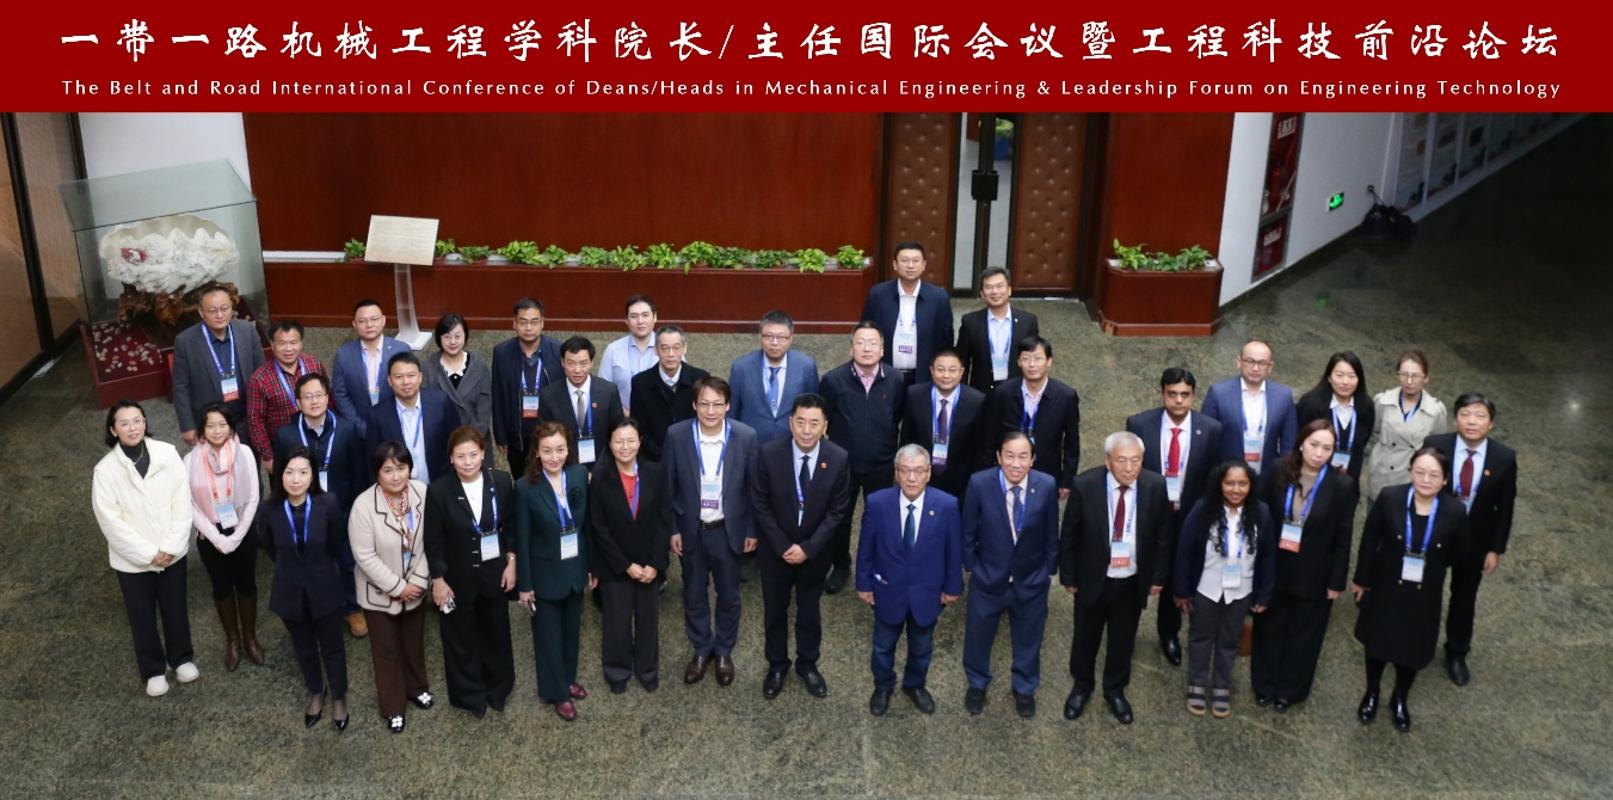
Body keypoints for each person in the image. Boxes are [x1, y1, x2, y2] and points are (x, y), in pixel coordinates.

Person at [1351, 447, 1470, 732]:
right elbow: (1369, 541)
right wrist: (1361, 580)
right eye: (1420, 472)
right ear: (1411, 471)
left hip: (1424, 594)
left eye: (1434, 475)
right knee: (1377, 645)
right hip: (1386, 587)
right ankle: (1372, 692)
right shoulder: (1390, 498)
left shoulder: (1455, 511)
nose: (1426, 480)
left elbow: (1458, 554)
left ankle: (1400, 697)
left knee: (1412, 650)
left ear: (1445, 479)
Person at [1058, 432, 1172, 725]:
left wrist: (1158, 577)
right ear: (1108, 461)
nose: (1129, 468)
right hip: (1092, 578)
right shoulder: (1085, 485)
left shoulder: (1155, 485)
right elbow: (1069, 534)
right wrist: (1068, 576)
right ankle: (1082, 686)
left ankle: (1115, 690)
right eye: (1121, 461)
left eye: (1135, 460)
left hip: (1132, 581)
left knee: (1123, 640)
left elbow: (1163, 535)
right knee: (1085, 637)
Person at [92, 400, 200, 697]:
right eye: (124, 423)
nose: (132, 428)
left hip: (171, 552)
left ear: (145, 423)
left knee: (175, 608)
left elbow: (182, 502)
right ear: (113, 430)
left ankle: (181, 658)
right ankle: (153, 669)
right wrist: (149, 554)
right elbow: (110, 522)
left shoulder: (167, 453)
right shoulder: (105, 470)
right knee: (141, 617)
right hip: (132, 562)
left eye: (137, 420)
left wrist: (171, 546)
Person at [1251, 420, 1359, 711]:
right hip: (1275, 566)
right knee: (1269, 628)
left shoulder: (1342, 485)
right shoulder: (1278, 470)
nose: (1319, 453)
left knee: (1304, 636)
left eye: (1327, 448)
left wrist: (1336, 581)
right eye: (1314, 445)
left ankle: (1289, 691)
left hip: (1314, 573)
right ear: (1301, 443)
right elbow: (1260, 514)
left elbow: (1344, 536)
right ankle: (1264, 685)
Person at [751, 393, 851, 700]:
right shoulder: (768, 454)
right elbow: (760, 503)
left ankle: (808, 664)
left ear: (825, 426)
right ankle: (777, 665)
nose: (807, 430)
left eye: (814, 424)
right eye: (801, 422)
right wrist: (782, 545)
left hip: (814, 554)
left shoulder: (838, 458)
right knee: (774, 611)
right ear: (790, 423)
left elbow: (838, 511)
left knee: (809, 612)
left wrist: (808, 547)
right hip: (775, 552)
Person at [1124, 367, 1224, 667]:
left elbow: (1213, 476)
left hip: (1187, 514)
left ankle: (1168, 632)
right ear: (1162, 393)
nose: (1178, 400)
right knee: (1135, 569)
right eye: (1172, 394)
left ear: (1193, 396)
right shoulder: (1139, 424)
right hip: (1148, 513)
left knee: (1175, 574)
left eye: (1184, 394)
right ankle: (1124, 630)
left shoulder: (1211, 429)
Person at [855, 445, 962, 717]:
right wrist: (863, 583)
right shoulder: (878, 503)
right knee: (882, 647)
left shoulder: (947, 505)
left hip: (927, 595)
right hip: (887, 592)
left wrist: (953, 587)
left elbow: (953, 551)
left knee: (922, 648)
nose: (911, 478)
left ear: (928, 473)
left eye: (918, 471)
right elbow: (866, 548)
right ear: (896, 473)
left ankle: (915, 685)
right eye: (905, 471)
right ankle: (883, 686)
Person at [665, 377, 759, 687]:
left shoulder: (745, 437)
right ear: (694, 405)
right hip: (690, 530)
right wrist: (673, 529)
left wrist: (751, 530)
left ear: (728, 406)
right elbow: (668, 487)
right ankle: (701, 648)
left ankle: (724, 650)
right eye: (704, 403)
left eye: (718, 404)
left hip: (728, 531)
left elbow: (754, 489)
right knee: (693, 593)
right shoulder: (677, 435)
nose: (710, 410)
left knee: (729, 595)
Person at [960, 432, 1060, 718]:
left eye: (1023, 456)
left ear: (1033, 459)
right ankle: (977, 684)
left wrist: (1047, 572)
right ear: (999, 457)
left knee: (1029, 638)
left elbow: (1051, 533)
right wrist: (973, 567)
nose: (1016, 464)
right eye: (1010, 456)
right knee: (978, 637)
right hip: (988, 580)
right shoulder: (979, 483)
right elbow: (968, 531)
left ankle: (1024, 688)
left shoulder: (1046, 485)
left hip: (1031, 580)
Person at [1422, 393, 1517, 687]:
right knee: (1424, 590)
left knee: (1464, 598)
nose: (1472, 421)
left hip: (1475, 541)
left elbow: (1505, 507)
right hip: (1435, 535)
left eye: (1479, 416)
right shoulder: (1436, 445)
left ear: (1491, 423)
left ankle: (1457, 652)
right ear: (1456, 418)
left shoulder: (1504, 457)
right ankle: (1418, 643)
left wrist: (1495, 549)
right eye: (1465, 414)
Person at [423, 426, 517, 718]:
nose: (467, 462)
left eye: (473, 455)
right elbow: (433, 540)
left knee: (497, 633)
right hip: (457, 577)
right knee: (461, 638)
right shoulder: (439, 490)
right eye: (460, 456)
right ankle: (470, 695)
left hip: (495, 573)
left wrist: (511, 562)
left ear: (483, 454)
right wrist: (438, 580)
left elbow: (511, 527)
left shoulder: (501, 482)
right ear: (451, 458)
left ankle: (498, 689)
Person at [1174, 460, 1276, 719]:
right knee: (1200, 637)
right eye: (1229, 483)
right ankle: (1197, 683)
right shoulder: (1203, 509)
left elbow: (1267, 557)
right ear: (1219, 484)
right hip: (1206, 587)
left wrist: (1264, 594)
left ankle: (1221, 685)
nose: (1236, 489)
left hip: (1241, 590)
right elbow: (1185, 550)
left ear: (1251, 486)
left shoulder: (1261, 513)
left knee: (1229, 641)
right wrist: (1182, 590)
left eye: (1242, 484)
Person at [273, 372, 372, 638]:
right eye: (307, 397)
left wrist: (356, 508)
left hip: (341, 508)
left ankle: (352, 608)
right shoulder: (286, 435)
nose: (314, 401)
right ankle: (319, 608)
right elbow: (279, 477)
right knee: (313, 564)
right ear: (298, 402)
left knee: (348, 561)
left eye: (319, 395)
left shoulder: (347, 429)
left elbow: (358, 473)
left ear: (328, 398)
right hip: (303, 512)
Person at [259, 447, 350, 731]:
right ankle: (316, 690)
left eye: (303, 472)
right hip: (289, 590)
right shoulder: (268, 509)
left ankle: (339, 696)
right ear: (279, 475)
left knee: (333, 647)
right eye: (289, 472)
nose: (296, 479)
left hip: (324, 587)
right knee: (304, 647)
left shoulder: (328, 504)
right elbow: (271, 548)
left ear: (313, 476)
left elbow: (336, 543)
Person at [348, 441, 434, 734]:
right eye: (388, 470)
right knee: (386, 651)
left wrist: (419, 581)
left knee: (413, 643)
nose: (396, 476)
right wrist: (398, 587)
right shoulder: (363, 506)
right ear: (377, 473)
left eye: (401, 468)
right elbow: (364, 556)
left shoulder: (422, 492)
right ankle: (393, 706)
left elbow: (430, 540)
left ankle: (417, 687)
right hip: (380, 594)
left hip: (416, 587)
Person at [515, 422, 596, 721]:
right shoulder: (525, 488)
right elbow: (522, 540)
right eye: (547, 451)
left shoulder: (578, 475)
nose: (554, 457)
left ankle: (568, 679)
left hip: (575, 568)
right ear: (536, 452)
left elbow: (587, 527)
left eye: (560, 449)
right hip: (544, 573)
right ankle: (556, 692)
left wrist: (591, 566)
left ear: (568, 449)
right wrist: (525, 585)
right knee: (548, 637)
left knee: (572, 631)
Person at [818, 323, 904, 595]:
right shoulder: (833, 380)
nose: (866, 348)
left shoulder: (896, 379)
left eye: (872, 343)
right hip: (843, 465)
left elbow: (897, 416)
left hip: (881, 463)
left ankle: (876, 566)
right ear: (850, 348)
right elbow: (824, 419)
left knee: (880, 519)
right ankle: (841, 565)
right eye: (860, 342)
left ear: (882, 349)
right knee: (840, 519)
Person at [588, 419, 674, 693]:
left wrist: (655, 563)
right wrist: (625, 565)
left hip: (649, 564)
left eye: (630, 440)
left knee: (648, 621)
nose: (625, 447)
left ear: (640, 442)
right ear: (610, 444)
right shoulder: (600, 478)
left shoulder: (655, 473)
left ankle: (647, 670)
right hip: (615, 566)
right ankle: (617, 671)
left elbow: (664, 520)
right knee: (616, 622)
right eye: (618, 441)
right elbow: (598, 528)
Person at [183, 403, 263, 672]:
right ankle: (233, 640)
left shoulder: (245, 452)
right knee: (221, 586)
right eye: (210, 426)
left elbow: (253, 497)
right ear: (202, 429)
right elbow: (190, 505)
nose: (217, 430)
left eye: (222, 425)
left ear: (230, 427)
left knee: (246, 584)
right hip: (210, 533)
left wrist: (237, 536)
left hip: (242, 529)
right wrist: (217, 538)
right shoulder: (190, 460)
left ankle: (250, 638)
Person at [171, 284, 264, 446]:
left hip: (246, 417)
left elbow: (261, 372)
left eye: (224, 308)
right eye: (213, 311)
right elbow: (180, 386)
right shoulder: (185, 341)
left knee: (249, 459)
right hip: (210, 423)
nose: (220, 315)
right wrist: (187, 425)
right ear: (201, 312)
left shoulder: (246, 330)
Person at [989, 337, 1081, 496]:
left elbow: (1072, 443)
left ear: (1049, 361)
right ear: (1019, 362)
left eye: (1038, 359)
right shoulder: (1003, 392)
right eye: (1026, 359)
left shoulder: (1066, 396)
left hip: (1046, 473)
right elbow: (989, 435)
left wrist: (1067, 480)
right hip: (1006, 471)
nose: (1032, 364)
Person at [859, 241, 954, 383]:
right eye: (905, 260)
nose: (910, 265)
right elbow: (865, 332)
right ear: (895, 264)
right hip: (885, 375)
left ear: (924, 265)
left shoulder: (938, 298)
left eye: (915, 261)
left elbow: (945, 341)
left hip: (923, 378)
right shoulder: (878, 295)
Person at [900, 347, 989, 500]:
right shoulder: (915, 395)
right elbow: (906, 438)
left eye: (952, 370)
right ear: (932, 371)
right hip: (921, 477)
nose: (946, 375)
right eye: (940, 369)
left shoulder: (977, 400)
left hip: (961, 480)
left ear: (961, 372)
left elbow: (981, 447)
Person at [1200, 339, 1298, 476]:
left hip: (1267, 476)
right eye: (1250, 361)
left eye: (1262, 363)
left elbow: (1289, 443)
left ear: (1270, 367)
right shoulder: (1218, 393)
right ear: (1239, 362)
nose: (1255, 368)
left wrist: (1284, 475)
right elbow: (1206, 441)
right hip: (1228, 477)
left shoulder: (1283, 396)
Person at [490, 297, 563, 476]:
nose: (528, 328)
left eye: (534, 322)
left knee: (551, 479)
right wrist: (501, 435)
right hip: (517, 434)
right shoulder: (501, 353)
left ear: (542, 323)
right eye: (523, 322)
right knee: (521, 480)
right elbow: (497, 395)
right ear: (514, 324)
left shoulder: (558, 350)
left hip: (549, 432)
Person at [367, 352, 462, 484]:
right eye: (399, 377)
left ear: (420, 377)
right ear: (389, 381)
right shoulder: (378, 414)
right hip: (399, 487)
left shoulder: (440, 402)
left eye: (411, 375)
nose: (406, 382)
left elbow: (458, 441)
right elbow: (373, 459)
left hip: (440, 484)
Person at [1365, 350, 1449, 496]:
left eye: (1415, 376)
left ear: (1426, 378)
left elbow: (1437, 448)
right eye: (1404, 374)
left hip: (1411, 476)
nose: (1409, 381)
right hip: (1382, 472)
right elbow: (1372, 432)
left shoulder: (1435, 411)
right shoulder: (1383, 401)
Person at [729, 310, 820, 443]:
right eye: (769, 336)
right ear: (760, 337)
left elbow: (814, 408)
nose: (775, 343)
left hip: (791, 443)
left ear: (791, 338)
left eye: (782, 338)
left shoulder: (805, 366)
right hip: (751, 444)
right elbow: (732, 412)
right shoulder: (741, 367)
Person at [245, 319, 325, 468]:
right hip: (283, 447)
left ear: (301, 343)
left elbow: (327, 397)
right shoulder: (259, 379)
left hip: (318, 439)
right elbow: (255, 420)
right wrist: (267, 456)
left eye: (293, 342)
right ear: (272, 345)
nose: (288, 349)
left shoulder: (314, 364)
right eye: (282, 343)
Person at [539, 336, 626, 468]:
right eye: (571, 363)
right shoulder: (548, 395)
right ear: (562, 362)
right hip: (564, 468)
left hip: (603, 468)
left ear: (591, 363)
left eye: (583, 363)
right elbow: (545, 437)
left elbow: (618, 432)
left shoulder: (609, 391)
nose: (577, 370)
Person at [629, 324, 709, 463]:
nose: (671, 354)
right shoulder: (641, 382)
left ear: (684, 348)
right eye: (665, 348)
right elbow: (638, 425)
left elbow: (706, 418)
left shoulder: (700, 378)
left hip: (693, 456)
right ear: (656, 350)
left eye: (676, 348)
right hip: (654, 459)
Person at [330, 298, 410, 438]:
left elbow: (409, 388)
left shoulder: (401, 349)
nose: (369, 325)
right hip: (359, 426)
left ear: (383, 320)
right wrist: (358, 425)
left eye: (374, 319)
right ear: (354, 324)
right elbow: (339, 394)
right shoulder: (343, 354)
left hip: (397, 424)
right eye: (362, 321)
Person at [955, 266, 1040, 395]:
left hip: (1017, 392)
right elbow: (962, 362)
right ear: (982, 293)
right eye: (988, 287)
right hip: (981, 393)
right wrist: (963, 395)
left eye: (999, 286)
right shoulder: (970, 322)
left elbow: (1034, 359)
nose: (994, 291)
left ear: (1009, 290)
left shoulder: (1027, 321)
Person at [1295, 351, 1374, 482]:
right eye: (1339, 375)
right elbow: (1297, 440)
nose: (1345, 382)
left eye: (1352, 376)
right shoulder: (1310, 404)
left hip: (1349, 479)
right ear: (1329, 377)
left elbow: (1363, 440)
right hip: (1313, 477)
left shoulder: (1366, 406)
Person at [422, 312, 493, 446]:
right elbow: (427, 409)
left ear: (465, 336)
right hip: (442, 441)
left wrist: (472, 440)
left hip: (476, 439)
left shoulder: (479, 365)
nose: (453, 342)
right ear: (439, 338)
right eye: (447, 337)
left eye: (458, 336)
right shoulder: (428, 367)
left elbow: (484, 407)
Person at [597, 294, 662, 413]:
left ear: (655, 317)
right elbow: (603, 392)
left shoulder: (669, 348)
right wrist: (625, 416)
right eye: (634, 316)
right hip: (623, 419)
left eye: (645, 315)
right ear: (626, 320)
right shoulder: (613, 350)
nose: (640, 321)